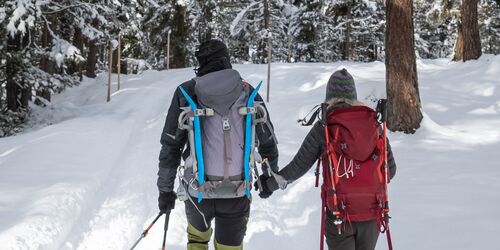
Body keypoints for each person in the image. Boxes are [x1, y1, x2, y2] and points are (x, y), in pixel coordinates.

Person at [157, 39, 279, 250]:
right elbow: (267, 139)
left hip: (197, 191)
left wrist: (165, 190)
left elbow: (171, 145)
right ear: (226, 60)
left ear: (200, 63)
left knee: (197, 241)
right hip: (238, 190)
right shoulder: (248, 92)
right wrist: (270, 176)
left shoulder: (187, 93)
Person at [257, 69, 396, 250]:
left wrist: (269, 185)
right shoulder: (374, 124)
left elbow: (298, 167)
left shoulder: (325, 127)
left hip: (340, 214)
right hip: (372, 213)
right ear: (353, 95)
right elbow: (390, 171)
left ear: (329, 96)